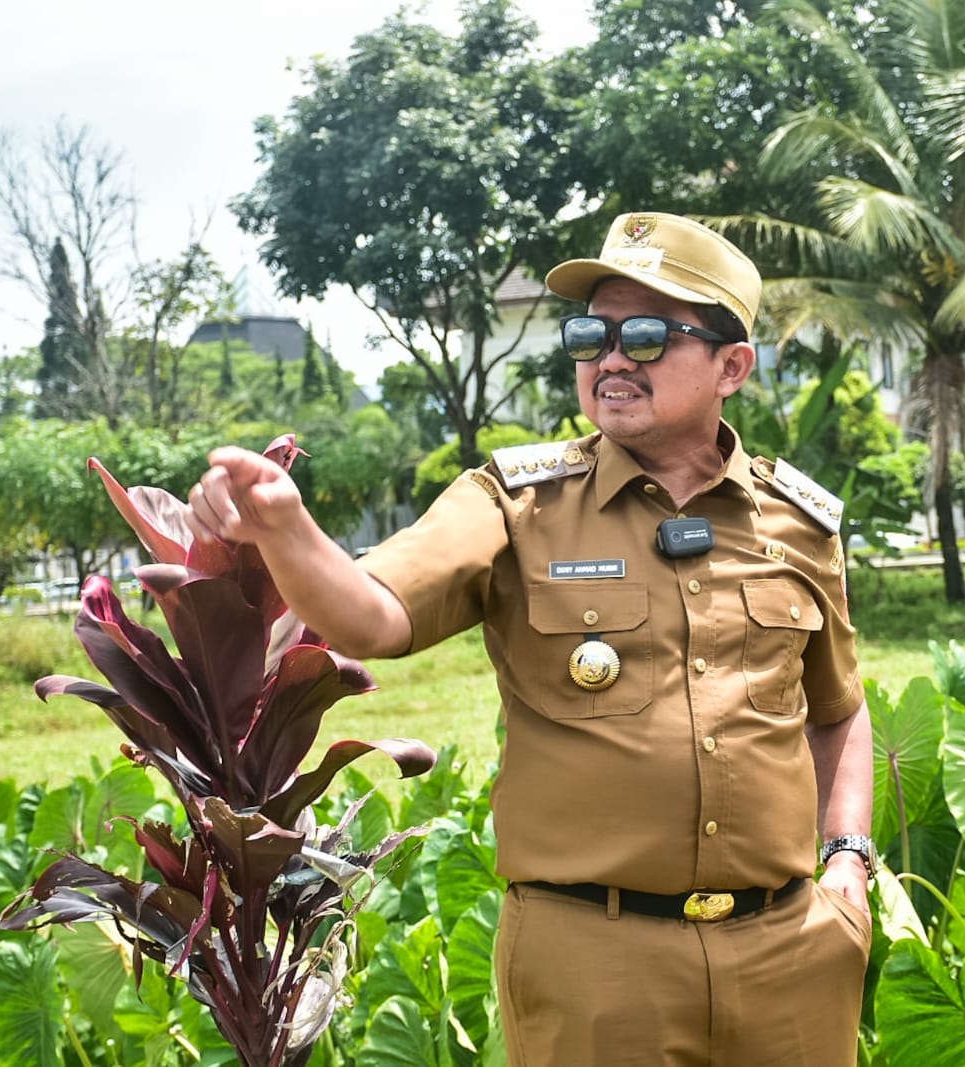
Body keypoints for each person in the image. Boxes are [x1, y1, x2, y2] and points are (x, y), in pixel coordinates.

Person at [183, 212, 874, 1066]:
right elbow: (370, 615)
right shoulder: (516, 504)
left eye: (647, 336)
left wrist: (848, 858)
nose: (611, 359)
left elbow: (837, 709)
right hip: (595, 967)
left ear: (732, 365)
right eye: (590, 336)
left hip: (790, 959)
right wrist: (285, 529)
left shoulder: (798, 522)